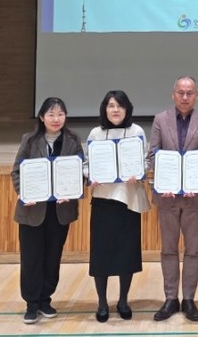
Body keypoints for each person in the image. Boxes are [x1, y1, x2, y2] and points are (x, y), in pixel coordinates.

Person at [10, 97, 84, 325]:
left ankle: (45, 300)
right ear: (42, 117)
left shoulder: (73, 140)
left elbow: (80, 172)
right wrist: (24, 192)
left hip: (60, 210)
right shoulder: (30, 140)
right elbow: (16, 172)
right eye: (51, 114)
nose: (56, 119)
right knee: (31, 257)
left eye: (60, 114)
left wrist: (73, 190)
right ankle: (31, 304)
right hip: (33, 210)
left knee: (53, 257)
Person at [147, 76, 198, 322]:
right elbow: (153, 155)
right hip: (167, 197)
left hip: (195, 197)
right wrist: (165, 181)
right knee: (168, 249)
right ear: (173, 94)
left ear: (196, 96)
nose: (185, 97)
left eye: (190, 93)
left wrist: (195, 182)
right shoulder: (160, 119)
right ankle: (170, 299)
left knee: (193, 250)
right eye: (181, 92)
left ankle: (189, 299)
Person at [87, 91, 150, 323]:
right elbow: (86, 164)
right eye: (111, 105)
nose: (115, 110)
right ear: (105, 109)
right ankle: (102, 302)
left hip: (128, 199)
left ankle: (123, 300)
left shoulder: (136, 131)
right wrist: (90, 175)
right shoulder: (96, 133)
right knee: (101, 253)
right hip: (103, 200)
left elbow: (146, 160)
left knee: (127, 253)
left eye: (120, 106)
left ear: (127, 109)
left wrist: (140, 172)